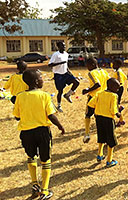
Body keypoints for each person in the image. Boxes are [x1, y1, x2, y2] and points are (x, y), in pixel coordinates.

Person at [13, 69, 65, 200]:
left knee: (31, 156)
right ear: (37, 81)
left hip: (26, 133)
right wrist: (60, 126)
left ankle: (35, 184)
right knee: (45, 159)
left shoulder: (20, 96)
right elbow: (51, 115)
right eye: (41, 77)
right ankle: (45, 190)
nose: (42, 79)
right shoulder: (45, 95)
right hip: (42, 132)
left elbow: (17, 117)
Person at [87, 78, 121, 166]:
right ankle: (109, 160)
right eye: (117, 88)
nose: (117, 90)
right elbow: (113, 109)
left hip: (99, 118)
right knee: (111, 139)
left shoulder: (99, 93)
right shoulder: (114, 96)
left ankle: (99, 154)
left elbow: (91, 103)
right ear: (112, 87)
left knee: (101, 136)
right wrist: (118, 114)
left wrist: (99, 108)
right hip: (108, 119)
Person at [82, 58, 110, 143]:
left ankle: (87, 134)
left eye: (87, 66)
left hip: (94, 97)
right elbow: (109, 81)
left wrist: (87, 90)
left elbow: (97, 84)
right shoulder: (104, 71)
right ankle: (104, 136)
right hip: (103, 96)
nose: (87, 68)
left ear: (93, 65)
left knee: (88, 115)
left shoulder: (91, 73)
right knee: (100, 116)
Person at [48, 41, 79, 112]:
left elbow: (66, 65)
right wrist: (60, 63)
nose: (64, 47)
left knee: (76, 82)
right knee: (60, 91)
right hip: (58, 74)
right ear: (58, 47)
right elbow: (50, 65)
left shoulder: (66, 54)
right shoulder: (55, 54)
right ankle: (59, 106)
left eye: (65, 46)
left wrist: (70, 72)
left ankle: (67, 95)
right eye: (62, 46)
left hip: (65, 73)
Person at [112, 59, 127, 127]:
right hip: (119, 88)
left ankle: (121, 120)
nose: (112, 65)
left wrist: (117, 87)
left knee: (116, 104)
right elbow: (125, 77)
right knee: (116, 103)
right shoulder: (119, 71)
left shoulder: (118, 72)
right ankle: (120, 108)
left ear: (118, 65)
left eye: (114, 64)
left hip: (118, 88)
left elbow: (120, 81)